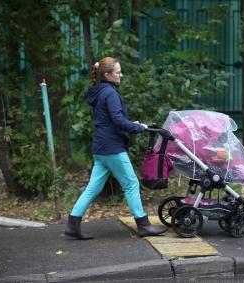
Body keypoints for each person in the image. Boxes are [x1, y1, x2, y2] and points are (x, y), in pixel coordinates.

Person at [65, 57, 167, 240]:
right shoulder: (110, 94)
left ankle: (73, 223)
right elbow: (118, 121)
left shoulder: (100, 92)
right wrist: (139, 128)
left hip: (100, 147)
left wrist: (132, 124)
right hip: (112, 147)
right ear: (107, 75)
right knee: (131, 183)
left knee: (93, 187)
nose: (121, 75)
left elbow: (111, 120)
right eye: (118, 72)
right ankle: (143, 225)